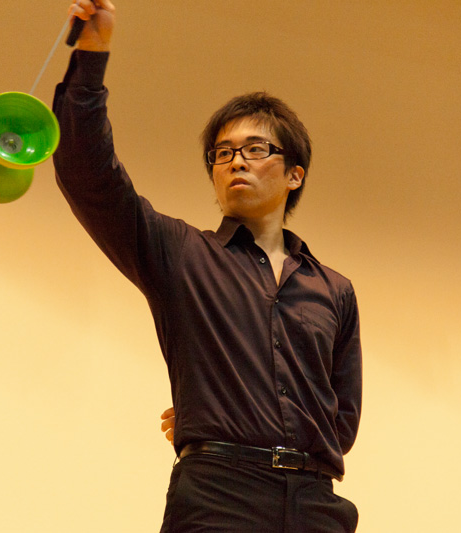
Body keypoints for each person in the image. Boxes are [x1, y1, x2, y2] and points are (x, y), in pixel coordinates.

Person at [53, 1, 362, 531]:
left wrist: (250, 413)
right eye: (222, 153)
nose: (236, 160)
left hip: (316, 504)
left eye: (256, 149)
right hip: (218, 495)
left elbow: (342, 421)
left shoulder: (334, 289)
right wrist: (93, 52)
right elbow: (90, 175)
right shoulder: (181, 253)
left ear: (294, 175)